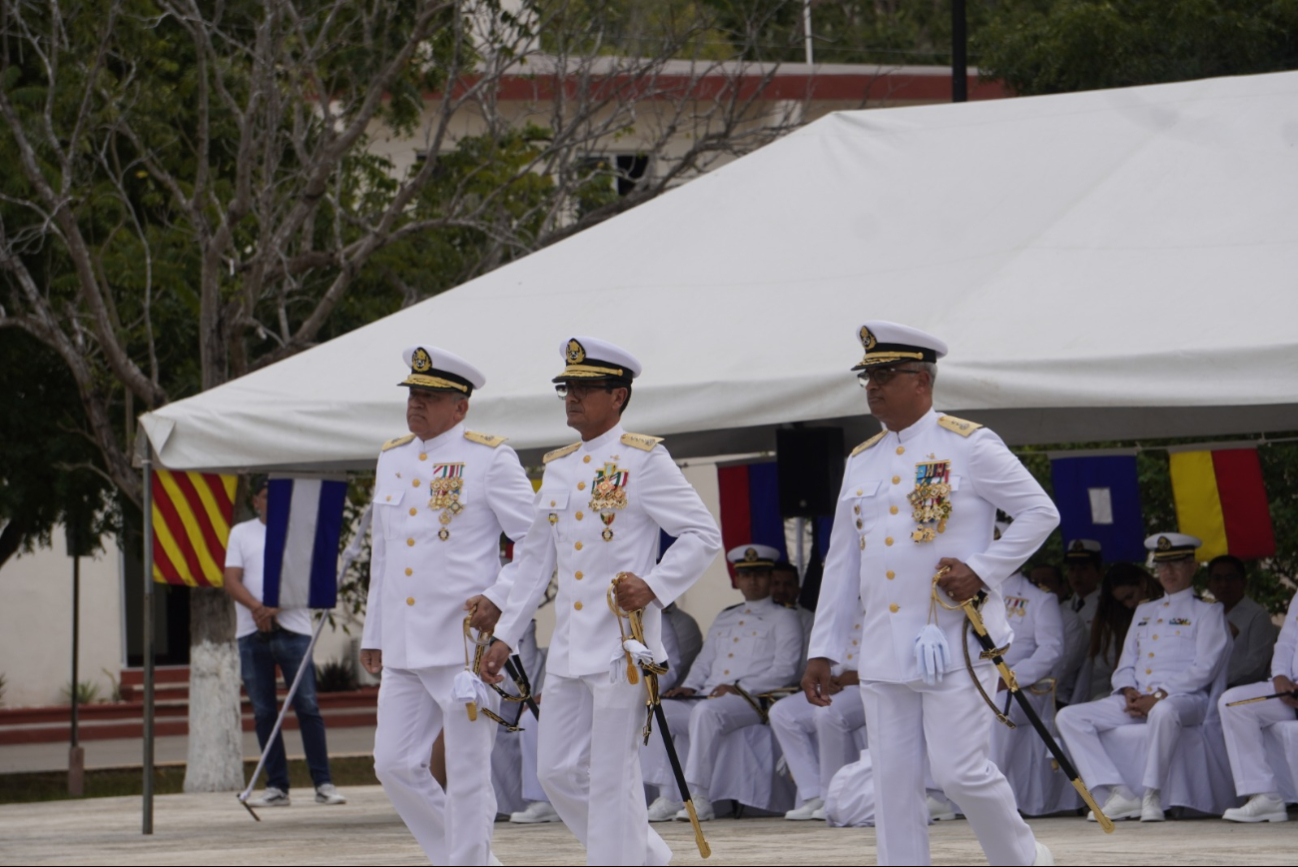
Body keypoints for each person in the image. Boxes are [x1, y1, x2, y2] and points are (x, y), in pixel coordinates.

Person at [802, 321, 1060, 867]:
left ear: (921, 380)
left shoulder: (970, 444)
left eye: (885, 375)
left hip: (955, 638)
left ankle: (1023, 859)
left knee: (959, 772)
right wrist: (823, 649)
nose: (871, 386)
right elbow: (843, 564)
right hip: (881, 647)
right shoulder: (860, 460)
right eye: (867, 376)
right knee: (892, 784)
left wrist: (983, 570)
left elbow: (1041, 512)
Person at [481, 336, 722, 867]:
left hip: (621, 647)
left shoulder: (645, 459)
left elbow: (702, 534)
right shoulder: (560, 467)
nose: (572, 396)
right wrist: (504, 635)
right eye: (568, 387)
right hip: (569, 645)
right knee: (556, 772)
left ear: (619, 396)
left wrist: (657, 586)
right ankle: (647, 856)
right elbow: (532, 561)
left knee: (614, 775)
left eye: (586, 388)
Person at [360, 345, 536, 865]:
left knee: (465, 772)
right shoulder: (391, 457)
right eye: (413, 394)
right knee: (392, 763)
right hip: (403, 642)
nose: (416, 405)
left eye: (430, 397)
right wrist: (374, 633)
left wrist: (500, 600)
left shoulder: (489, 458)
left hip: (464, 645)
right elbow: (384, 555)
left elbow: (533, 542)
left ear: (460, 407)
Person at [1057, 533, 1231, 823]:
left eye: (1176, 564)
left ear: (1192, 567)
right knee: (1068, 718)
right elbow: (1126, 662)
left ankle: (1153, 794)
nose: (1169, 572)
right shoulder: (1145, 609)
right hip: (1138, 698)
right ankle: (1119, 792)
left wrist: (1159, 695)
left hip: (1185, 699)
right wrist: (1127, 690)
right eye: (1163, 566)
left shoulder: (1208, 610)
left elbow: (1205, 668)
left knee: (1163, 711)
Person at [641, 543, 802, 822]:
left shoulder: (785, 617)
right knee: (660, 712)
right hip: (707, 696)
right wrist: (689, 686)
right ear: (737, 579)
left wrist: (738, 686)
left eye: (760, 575)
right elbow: (705, 661)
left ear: (770, 578)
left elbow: (784, 669)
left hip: (751, 700)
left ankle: (699, 797)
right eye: (746, 575)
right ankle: (669, 795)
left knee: (705, 714)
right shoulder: (726, 616)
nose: (753, 581)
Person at [223, 477, 345, 808]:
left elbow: (307, 578)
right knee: (264, 712)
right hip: (252, 634)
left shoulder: (297, 532)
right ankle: (277, 786)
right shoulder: (242, 533)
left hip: (294, 629)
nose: (270, 502)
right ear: (256, 501)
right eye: (265, 496)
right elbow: (231, 578)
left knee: (307, 706)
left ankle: (323, 782)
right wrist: (258, 609)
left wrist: (275, 607)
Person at [985, 530, 1067, 816]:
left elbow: (1051, 650)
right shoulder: (974, 593)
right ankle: (943, 796)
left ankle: (993, 799)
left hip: (1024, 690)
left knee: (996, 709)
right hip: (977, 681)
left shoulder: (1038, 598)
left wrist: (1009, 678)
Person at [769, 614, 865, 821]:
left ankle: (837, 796)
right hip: (838, 683)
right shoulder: (844, 603)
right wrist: (827, 677)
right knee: (781, 713)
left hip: (870, 685)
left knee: (828, 711)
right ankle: (813, 793)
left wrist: (860, 674)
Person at [1218, 589, 1298, 822]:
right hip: (1290, 690)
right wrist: (1280, 675)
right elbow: (1286, 641)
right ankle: (1266, 796)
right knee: (1233, 702)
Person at [1072, 563, 1162, 702]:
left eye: (1130, 596)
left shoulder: (1171, 607)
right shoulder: (1124, 619)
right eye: (1122, 602)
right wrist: (1128, 688)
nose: (1129, 604)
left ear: (1143, 583)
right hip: (1133, 691)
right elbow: (1112, 664)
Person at [1207, 554, 1279, 687]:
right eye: (1217, 578)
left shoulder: (1258, 616)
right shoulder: (1206, 614)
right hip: (1203, 689)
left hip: (1241, 692)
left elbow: (1255, 666)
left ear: (1243, 582)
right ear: (1209, 584)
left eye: (1230, 578)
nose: (1224, 584)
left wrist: (1216, 682)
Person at [1030, 563, 1088, 706]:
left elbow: (1059, 669)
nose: (1039, 586)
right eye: (1034, 582)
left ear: (1062, 588)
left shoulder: (1070, 621)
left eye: (1046, 581)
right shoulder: (1022, 614)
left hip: (1052, 697)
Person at [1065, 539, 1103, 630]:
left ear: (1099, 573)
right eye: (1072, 569)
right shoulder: (1062, 607)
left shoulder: (1109, 607)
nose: (1076, 575)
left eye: (1084, 569)